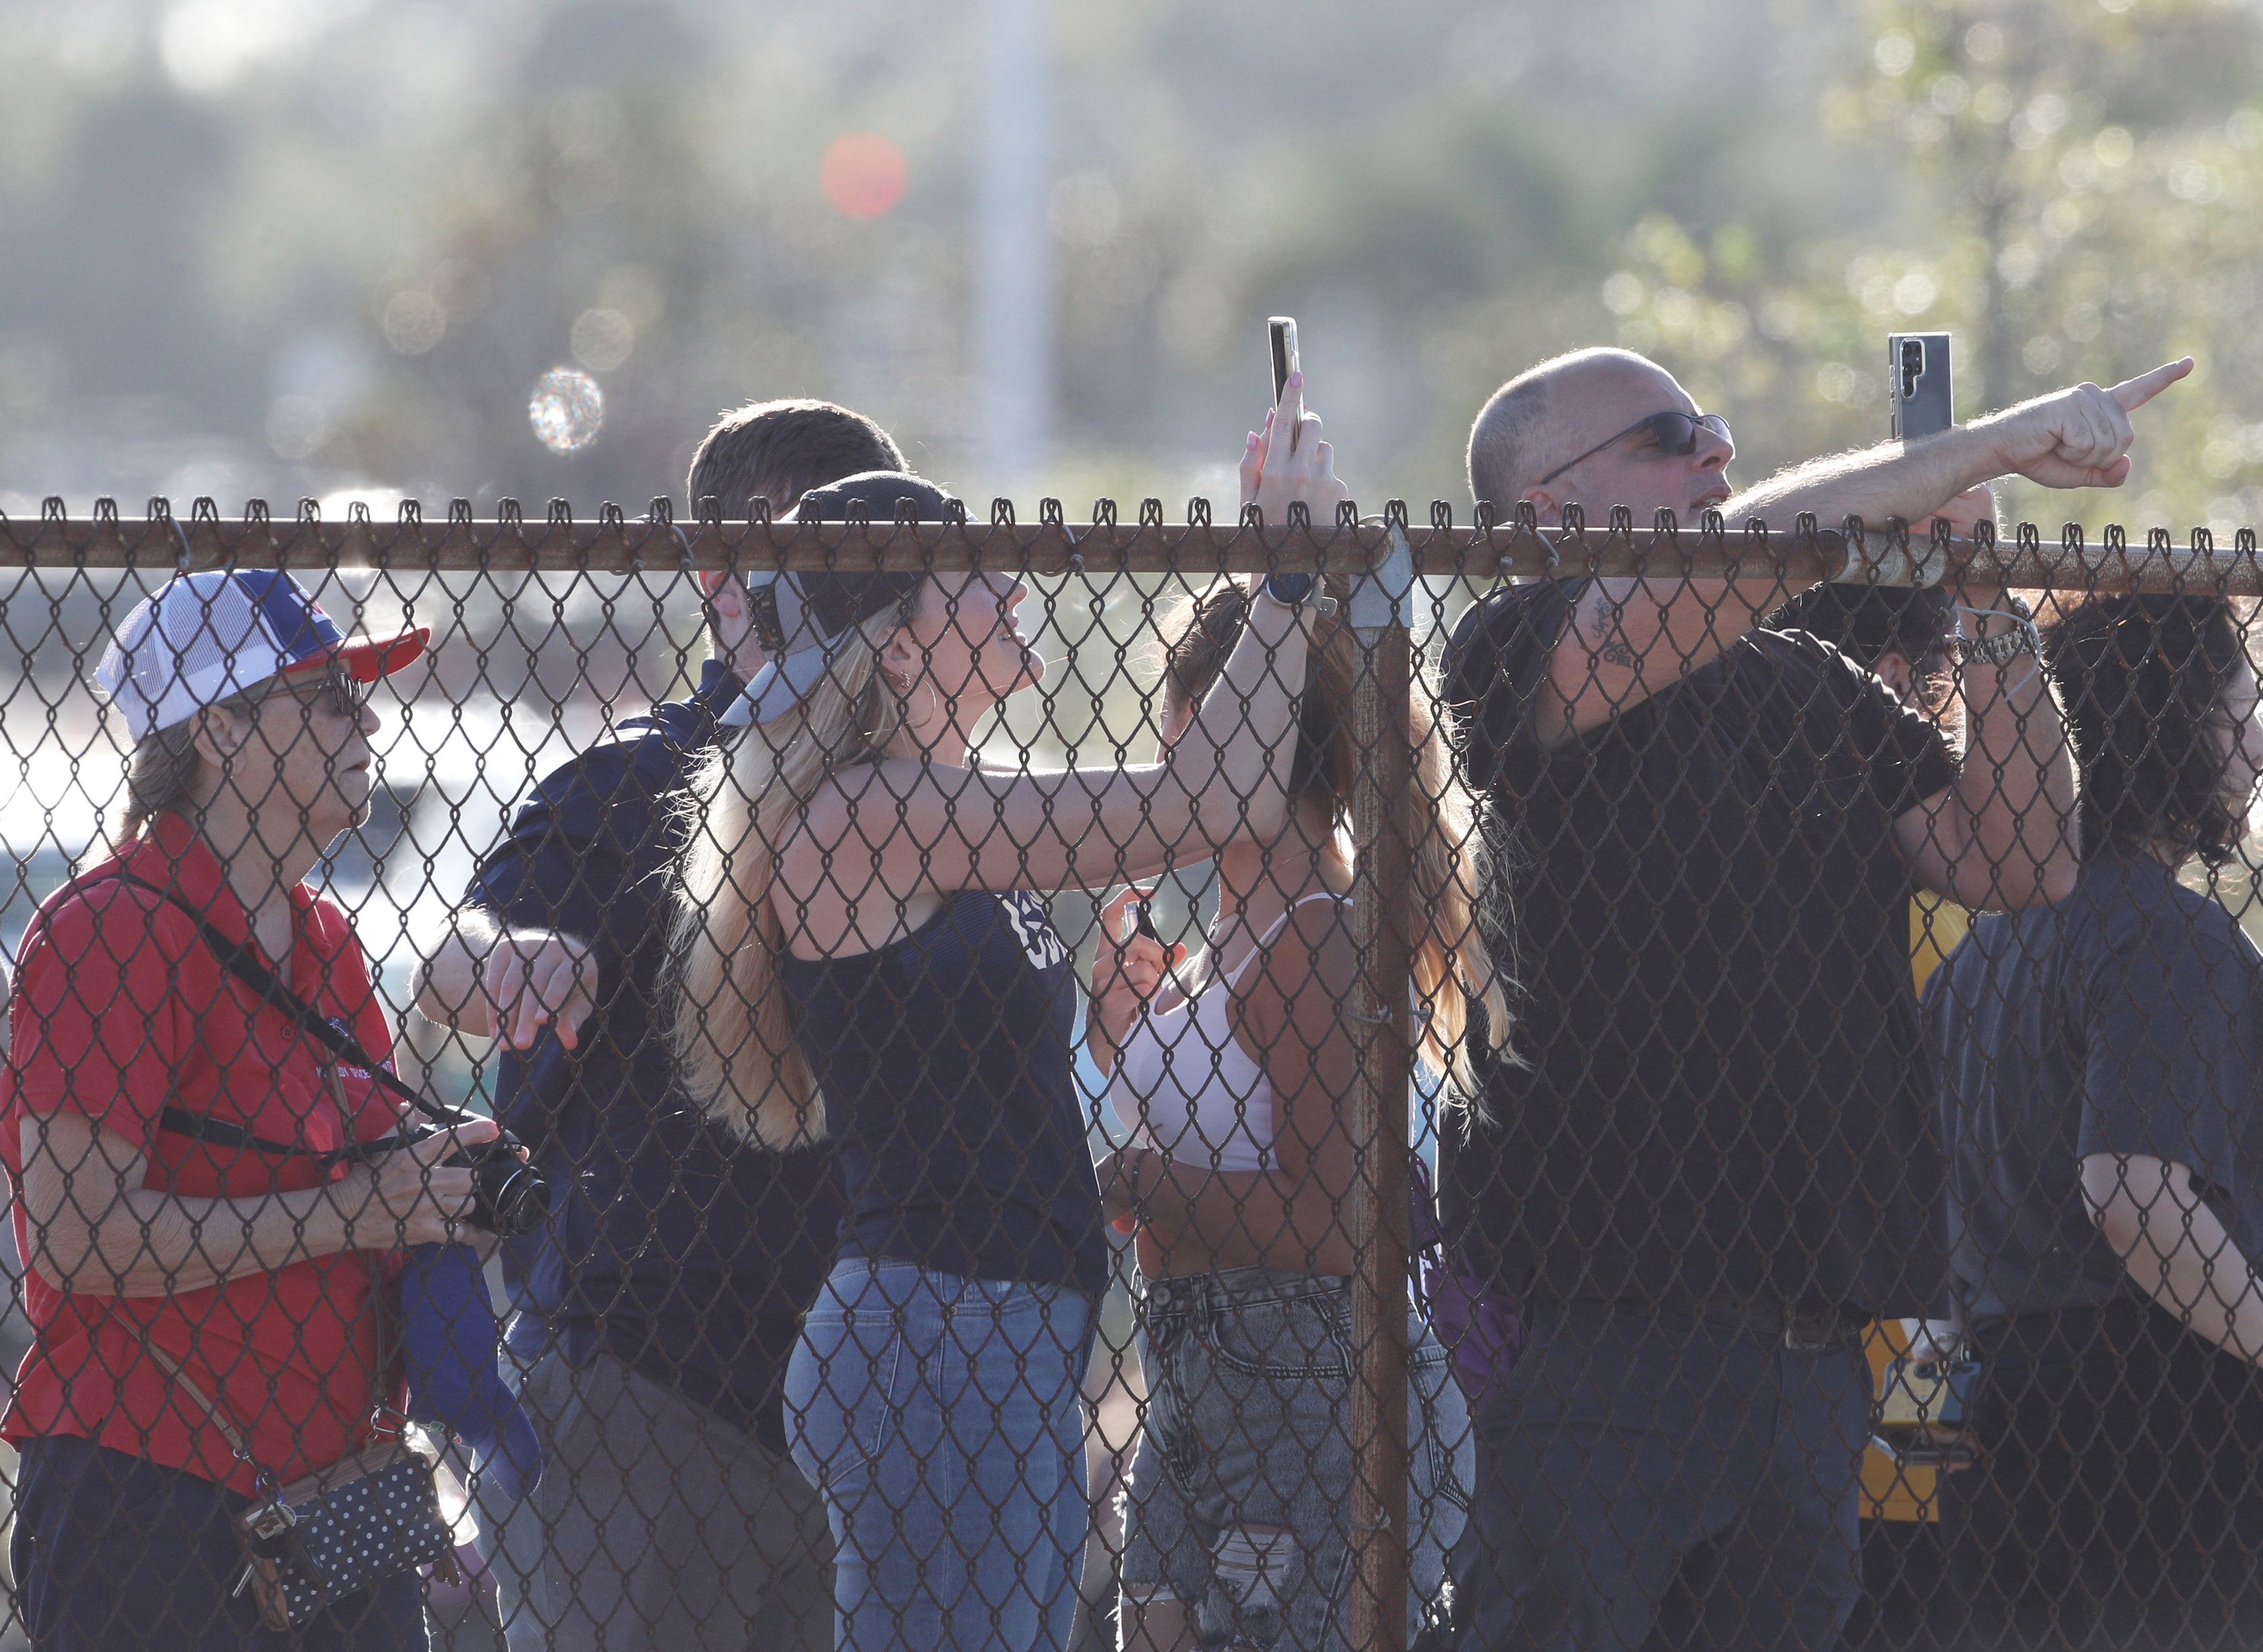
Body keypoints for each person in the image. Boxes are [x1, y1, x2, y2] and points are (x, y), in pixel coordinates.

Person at [1437, 343, 2169, 1648]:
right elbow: (1694, 587)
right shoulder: (1514, 647)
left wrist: (1983, 592)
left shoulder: (1797, 678)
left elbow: (2019, 858)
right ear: (1549, 507)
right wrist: (1969, 444)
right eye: (1670, 436)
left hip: (1817, 1341)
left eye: (1715, 427)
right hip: (1615, 1335)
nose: (1717, 453)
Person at [669, 382, 1326, 1652]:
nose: (1013, 583)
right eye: (972, 573)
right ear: (900, 642)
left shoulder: (954, 802)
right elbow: (1224, 792)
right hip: (938, 1332)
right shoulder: (872, 810)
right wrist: (1282, 577)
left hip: (996, 1324)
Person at [413, 399, 903, 1651]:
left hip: (864, 1399)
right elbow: (458, 954)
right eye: (808, 564)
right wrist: (518, 963)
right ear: (719, 584)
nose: (847, 601)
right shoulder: (647, 777)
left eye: (875, 566)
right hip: (651, 1390)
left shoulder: (922, 791)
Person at [4, 570, 493, 1649]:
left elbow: (365, 1185)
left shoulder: (326, 937)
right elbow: (82, 1239)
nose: (367, 718)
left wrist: (441, 1185)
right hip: (154, 1485)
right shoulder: (110, 932)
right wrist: (361, 1212)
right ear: (218, 730)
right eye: (326, 696)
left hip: (343, 1479)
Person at [1926, 593, 2263, 1651]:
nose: (2262, 740)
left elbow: (1929, 1235)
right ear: (2171, 729)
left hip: (1996, 1423)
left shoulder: (1972, 963)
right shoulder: (2164, 937)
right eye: (2239, 712)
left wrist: (1925, 1437)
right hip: (2164, 1419)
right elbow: (2134, 1197)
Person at [1089, 566, 1510, 1650]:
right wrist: (1115, 1034)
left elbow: (1334, 1229)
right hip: (1196, 1376)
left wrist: (1138, 1184)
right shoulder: (1225, 937)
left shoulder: (1315, 938)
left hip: (1306, 1388)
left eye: (1184, 721)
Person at [1765, 553, 1971, 1652]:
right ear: (1893, 678)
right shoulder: (1931, 879)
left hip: (1808, 1288)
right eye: (1946, 680)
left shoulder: (1771, 847)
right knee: (1903, 1575)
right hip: (1915, 1292)